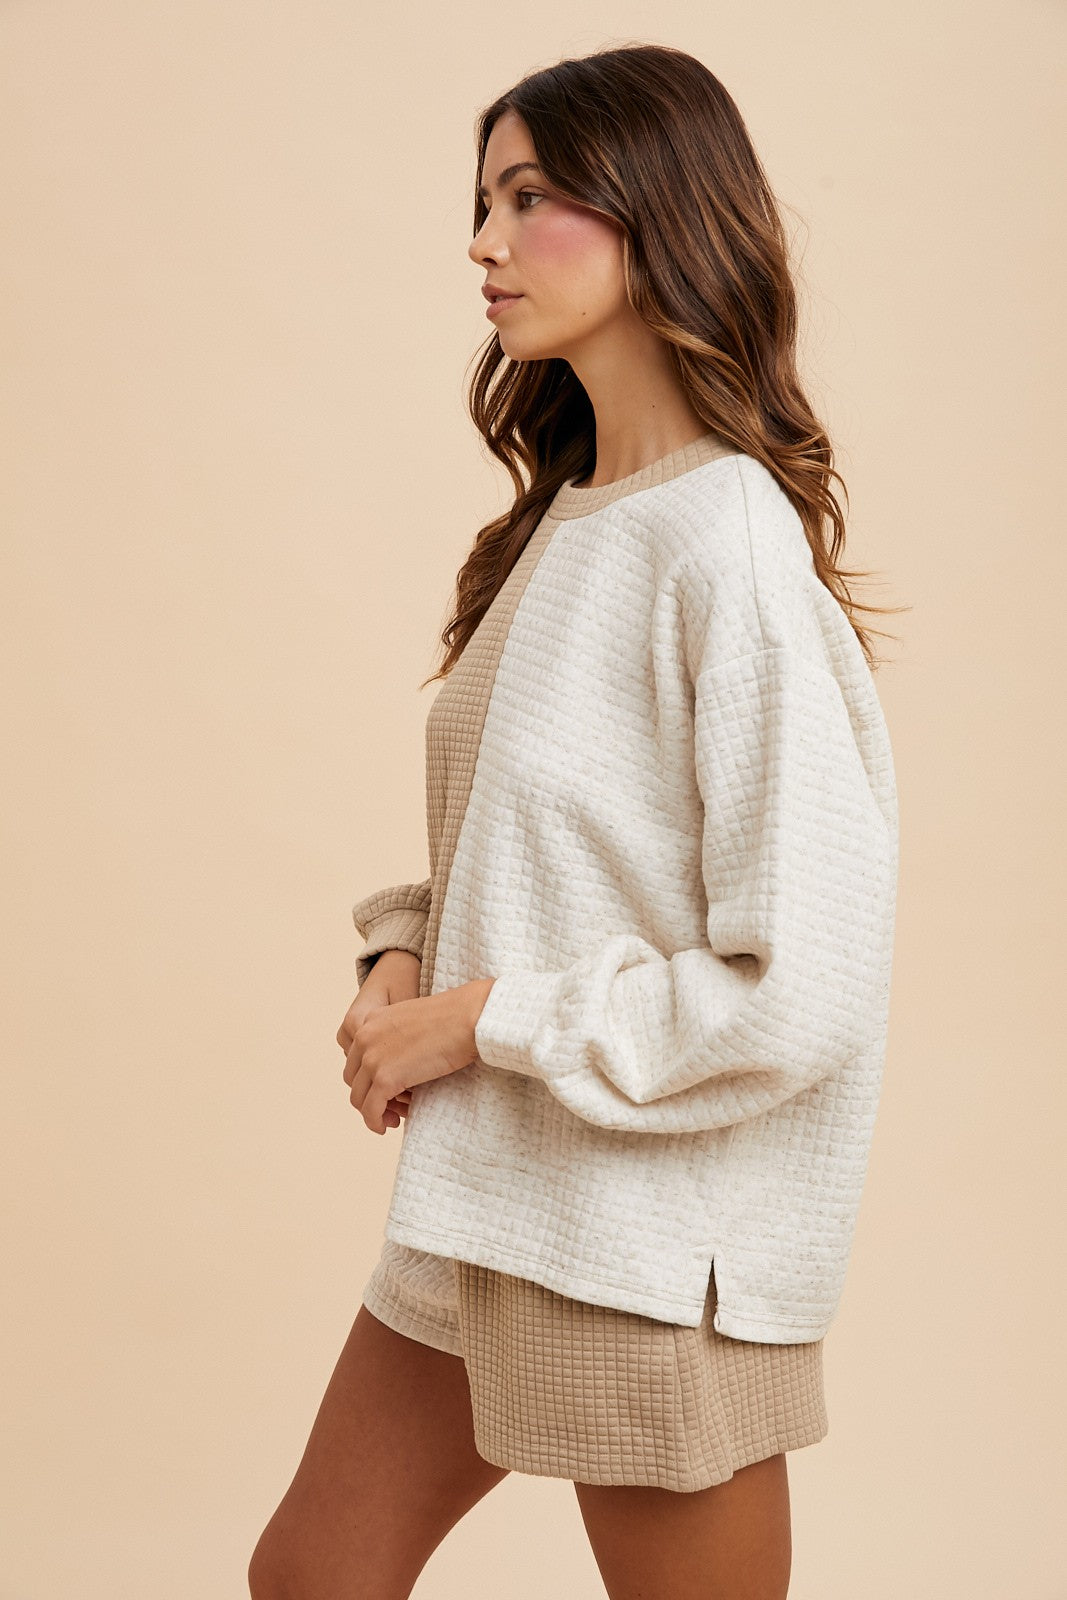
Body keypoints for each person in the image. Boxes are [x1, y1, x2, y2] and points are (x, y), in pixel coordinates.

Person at [248, 41, 903, 1600]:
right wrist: (403, 959)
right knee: (311, 1579)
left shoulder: (728, 549)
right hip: (494, 1195)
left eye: (529, 198)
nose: (483, 242)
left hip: (649, 1241)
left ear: (656, 210)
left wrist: (479, 1019)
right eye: (481, 201)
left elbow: (800, 985)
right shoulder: (568, 521)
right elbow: (538, 848)